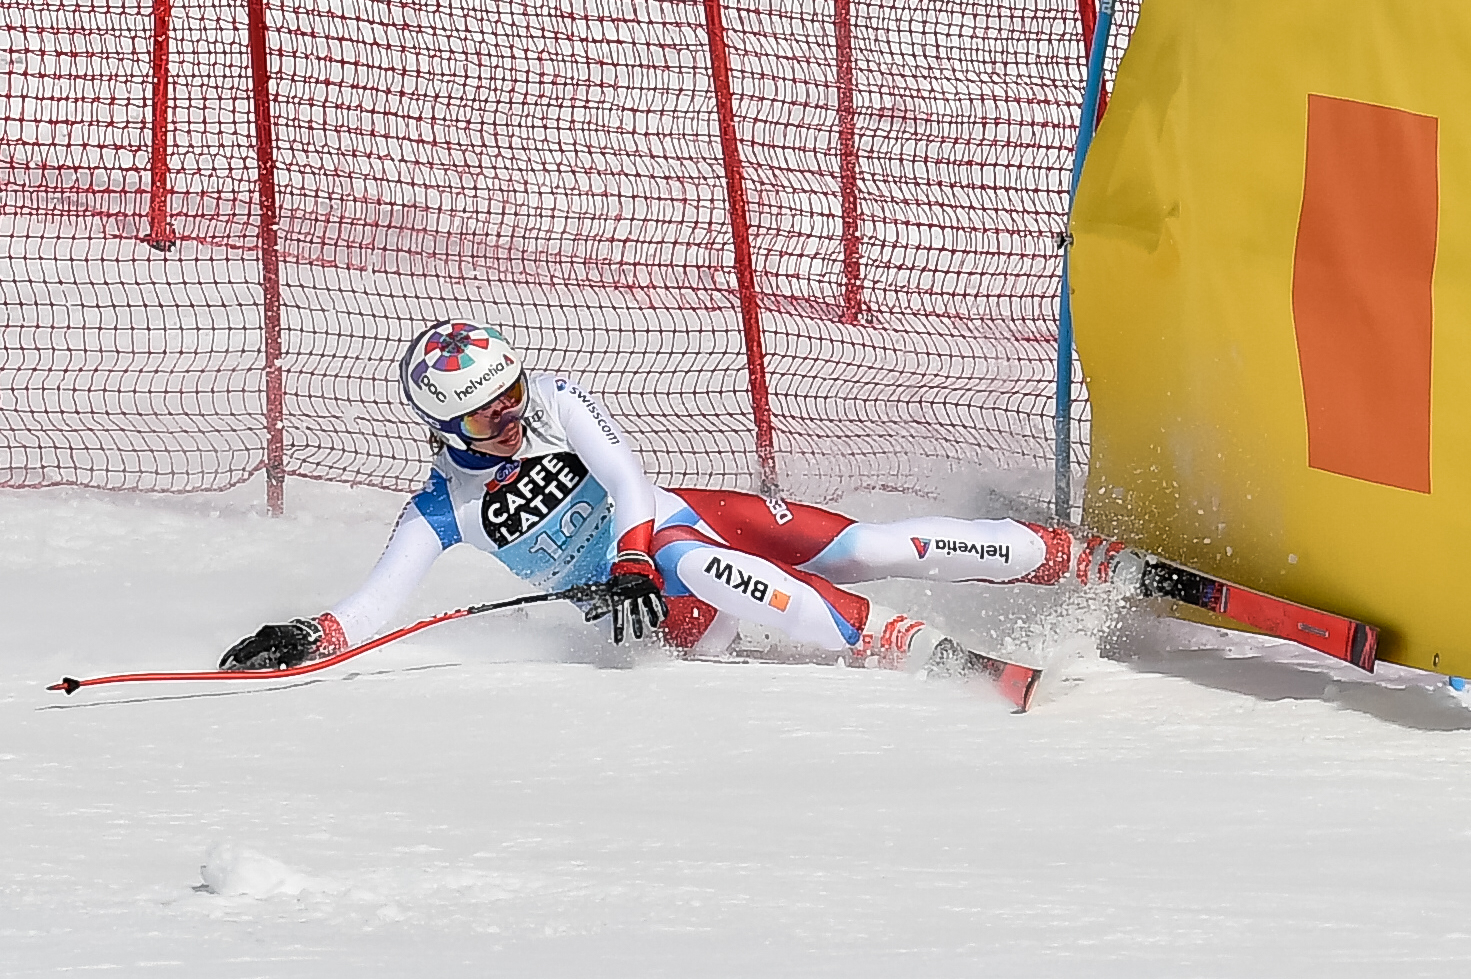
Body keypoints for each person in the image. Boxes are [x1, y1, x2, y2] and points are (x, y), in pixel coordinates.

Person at [221, 320, 1128, 673]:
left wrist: (623, 554)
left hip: (687, 520)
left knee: (872, 547)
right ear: (444, 428)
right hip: (673, 608)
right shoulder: (438, 510)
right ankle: (921, 651)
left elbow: (622, 479)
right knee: (690, 562)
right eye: (487, 417)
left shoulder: (557, 403)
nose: (512, 419)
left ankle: (1070, 557)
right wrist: (306, 636)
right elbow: (379, 600)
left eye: (513, 396)